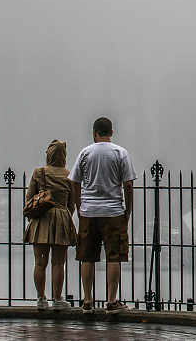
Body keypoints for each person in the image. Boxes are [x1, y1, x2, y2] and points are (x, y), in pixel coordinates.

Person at [69, 117, 136, 312]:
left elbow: (74, 182)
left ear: (94, 132)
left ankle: (88, 301)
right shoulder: (120, 153)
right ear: (111, 132)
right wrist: (127, 210)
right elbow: (128, 185)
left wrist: (80, 206)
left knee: (87, 257)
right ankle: (112, 301)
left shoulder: (85, 153)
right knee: (114, 256)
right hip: (113, 211)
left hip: (89, 211)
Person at [24, 139, 77, 310]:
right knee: (58, 263)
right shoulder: (69, 175)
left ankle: (41, 299)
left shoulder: (39, 172)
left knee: (40, 262)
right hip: (61, 218)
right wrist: (64, 214)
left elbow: (29, 197)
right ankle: (57, 299)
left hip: (41, 219)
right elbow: (72, 203)